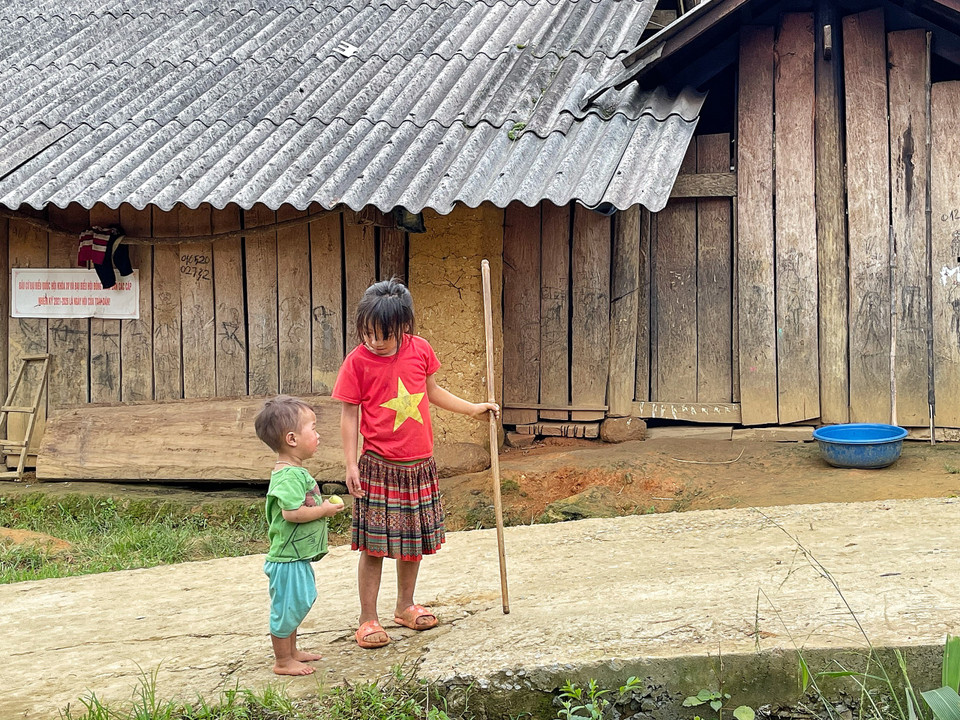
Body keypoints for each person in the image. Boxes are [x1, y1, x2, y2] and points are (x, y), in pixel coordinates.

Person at [333, 279, 499, 649]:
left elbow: (432, 390)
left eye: (385, 334)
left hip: (419, 466)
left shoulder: (420, 350)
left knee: (410, 543)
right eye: (369, 333)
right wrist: (350, 464)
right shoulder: (357, 362)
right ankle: (367, 618)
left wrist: (474, 409)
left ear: (404, 327)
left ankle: (405, 606)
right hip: (378, 465)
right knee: (373, 546)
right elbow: (348, 415)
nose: (376, 341)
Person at [254, 395, 346, 675]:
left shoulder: (294, 472)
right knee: (289, 606)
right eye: (314, 429)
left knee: (297, 602)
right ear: (292, 439)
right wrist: (325, 510)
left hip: (295, 556)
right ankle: (282, 661)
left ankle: (291, 651)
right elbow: (291, 513)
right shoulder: (289, 476)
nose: (318, 435)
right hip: (287, 559)